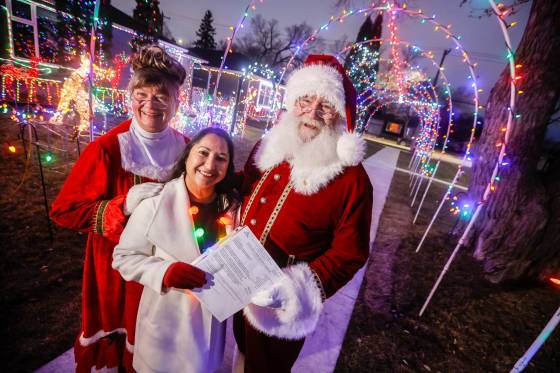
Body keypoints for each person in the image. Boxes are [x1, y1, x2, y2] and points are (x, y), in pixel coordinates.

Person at [50, 45, 188, 372]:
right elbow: (65, 210)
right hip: (114, 271)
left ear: (176, 102)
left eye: (161, 96)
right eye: (142, 94)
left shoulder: (186, 147)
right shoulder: (109, 149)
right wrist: (121, 205)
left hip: (165, 266)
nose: (150, 104)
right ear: (130, 96)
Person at [233, 54, 374, 373]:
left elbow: (349, 253)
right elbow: (247, 185)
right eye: (305, 100)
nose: (312, 112)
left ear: (338, 115)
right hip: (239, 274)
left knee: (267, 366)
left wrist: (294, 288)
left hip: (283, 300)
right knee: (240, 352)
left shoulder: (352, 180)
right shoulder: (269, 145)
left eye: (325, 105)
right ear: (292, 101)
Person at [112, 127, 239, 373]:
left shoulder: (232, 209)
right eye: (203, 153)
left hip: (209, 331)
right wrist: (164, 272)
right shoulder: (155, 204)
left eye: (221, 158)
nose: (210, 164)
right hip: (166, 329)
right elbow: (123, 257)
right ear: (188, 154)